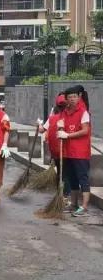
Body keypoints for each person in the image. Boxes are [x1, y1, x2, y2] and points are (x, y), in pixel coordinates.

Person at [58, 85, 91, 216]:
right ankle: (74, 204)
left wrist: (68, 135)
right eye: (70, 97)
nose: (72, 99)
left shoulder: (83, 112)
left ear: (79, 97)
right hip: (68, 151)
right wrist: (60, 130)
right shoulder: (65, 112)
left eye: (74, 96)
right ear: (66, 99)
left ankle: (84, 206)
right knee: (72, 179)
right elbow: (62, 128)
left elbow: (85, 130)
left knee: (83, 178)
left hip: (80, 152)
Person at [38, 93, 70, 202]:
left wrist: (39, 124)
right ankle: (64, 196)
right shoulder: (69, 118)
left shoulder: (52, 118)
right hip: (66, 152)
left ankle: (60, 194)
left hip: (56, 152)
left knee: (60, 173)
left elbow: (42, 130)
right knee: (66, 174)